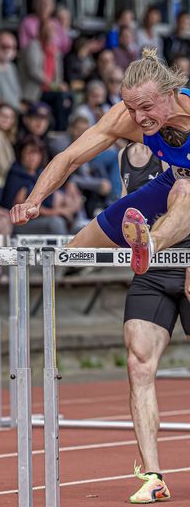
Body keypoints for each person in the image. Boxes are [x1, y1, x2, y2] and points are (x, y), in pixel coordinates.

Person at [10, 47, 190, 275]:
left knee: (184, 190)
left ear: (170, 93)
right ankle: (144, 247)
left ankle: (149, 244)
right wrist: (33, 201)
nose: (139, 118)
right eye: (131, 109)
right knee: (73, 251)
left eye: (146, 107)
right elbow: (69, 158)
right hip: (174, 178)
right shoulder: (125, 118)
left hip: (184, 189)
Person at [116, 141, 176, 503]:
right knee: (138, 364)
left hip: (187, 258)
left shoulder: (178, 145)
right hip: (152, 269)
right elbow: (127, 208)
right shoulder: (124, 156)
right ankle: (154, 476)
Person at [3, 134, 81, 234]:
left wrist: (68, 206)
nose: (33, 157)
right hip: (19, 224)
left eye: (37, 153)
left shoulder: (40, 173)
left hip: (45, 218)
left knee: (79, 226)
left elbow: (56, 196)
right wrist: (57, 212)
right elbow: (20, 206)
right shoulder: (16, 174)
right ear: (21, 154)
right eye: (29, 153)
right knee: (56, 223)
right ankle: (63, 250)